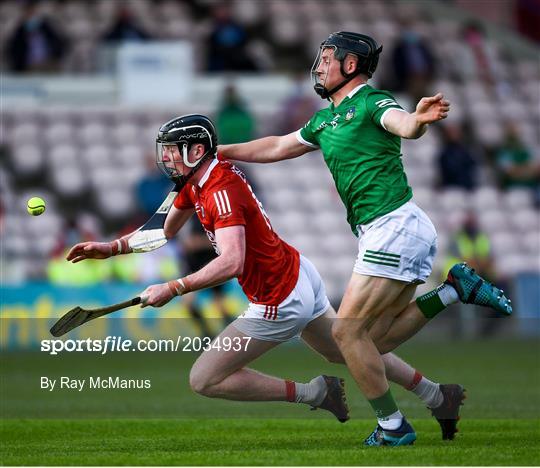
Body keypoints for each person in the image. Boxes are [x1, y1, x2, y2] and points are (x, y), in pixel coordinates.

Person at [66, 114, 468, 438]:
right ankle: (436, 396)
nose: (166, 157)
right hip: (297, 272)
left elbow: (232, 262)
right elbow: (163, 230)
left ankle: (315, 392)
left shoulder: (220, 188)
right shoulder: (195, 182)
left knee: (204, 379)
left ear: (197, 150)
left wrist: (174, 287)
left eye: (173, 150)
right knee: (346, 347)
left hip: (280, 297)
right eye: (165, 150)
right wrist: (110, 248)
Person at [217, 32, 512, 446]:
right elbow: (279, 145)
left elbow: (401, 123)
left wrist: (418, 120)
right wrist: (222, 151)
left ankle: (392, 427)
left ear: (350, 65)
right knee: (368, 341)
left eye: (326, 59)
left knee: (345, 335)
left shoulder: (373, 102)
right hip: (389, 230)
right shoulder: (325, 119)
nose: (318, 66)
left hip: (392, 226)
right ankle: (451, 291)